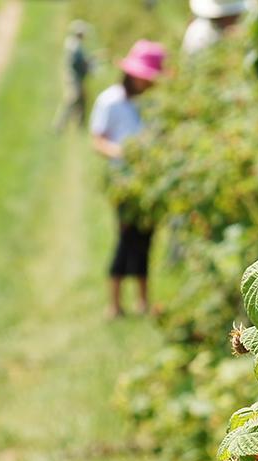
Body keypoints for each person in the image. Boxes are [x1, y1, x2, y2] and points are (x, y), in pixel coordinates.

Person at [90, 40, 166, 318]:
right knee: (125, 238)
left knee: (146, 238)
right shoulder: (110, 101)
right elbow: (97, 140)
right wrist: (122, 153)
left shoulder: (155, 103)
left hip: (149, 180)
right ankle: (114, 303)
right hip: (123, 180)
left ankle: (143, 301)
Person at [54, 21, 92, 131]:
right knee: (71, 101)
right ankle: (59, 126)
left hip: (76, 78)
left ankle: (80, 126)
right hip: (74, 79)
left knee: (81, 101)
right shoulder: (74, 45)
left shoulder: (73, 44)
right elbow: (78, 63)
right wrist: (87, 65)